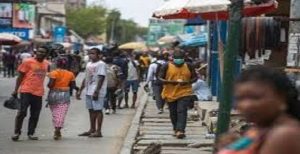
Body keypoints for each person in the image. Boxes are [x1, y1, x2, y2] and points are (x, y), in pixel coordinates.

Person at [218, 66, 300, 154]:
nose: (247, 105)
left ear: (281, 98)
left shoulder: (284, 135)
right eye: (240, 98)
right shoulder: (261, 129)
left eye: (255, 98)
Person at [11, 46, 49, 141]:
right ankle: (17, 132)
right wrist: (16, 90)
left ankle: (31, 133)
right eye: (39, 51)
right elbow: (20, 77)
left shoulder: (47, 64)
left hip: (39, 92)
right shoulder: (27, 62)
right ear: (36, 52)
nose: (40, 53)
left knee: (35, 114)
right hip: (26, 90)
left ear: (46, 54)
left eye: (43, 52)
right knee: (22, 112)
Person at [158, 50, 197, 139]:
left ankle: (181, 130)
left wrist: (188, 82)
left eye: (181, 59)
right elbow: (159, 77)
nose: (179, 60)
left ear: (184, 59)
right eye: (177, 59)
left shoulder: (189, 66)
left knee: (182, 110)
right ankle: (176, 129)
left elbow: (195, 77)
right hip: (170, 93)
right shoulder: (166, 66)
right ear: (173, 59)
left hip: (185, 92)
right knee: (173, 113)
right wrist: (171, 82)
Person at [76, 48, 107, 138]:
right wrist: (80, 90)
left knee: (98, 110)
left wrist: (96, 91)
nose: (90, 55)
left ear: (99, 55)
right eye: (89, 53)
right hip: (89, 90)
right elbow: (86, 77)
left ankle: (99, 131)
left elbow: (101, 78)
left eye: (93, 53)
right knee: (91, 110)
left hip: (97, 91)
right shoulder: (89, 64)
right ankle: (92, 129)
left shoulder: (101, 64)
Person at [47, 57, 78, 140]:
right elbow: (73, 86)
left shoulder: (53, 73)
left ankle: (57, 129)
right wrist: (78, 90)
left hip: (53, 94)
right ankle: (57, 130)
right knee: (61, 114)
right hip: (64, 95)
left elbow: (50, 85)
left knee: (55, 114)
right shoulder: (70, 74)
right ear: (67, 65)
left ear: (57, 64)